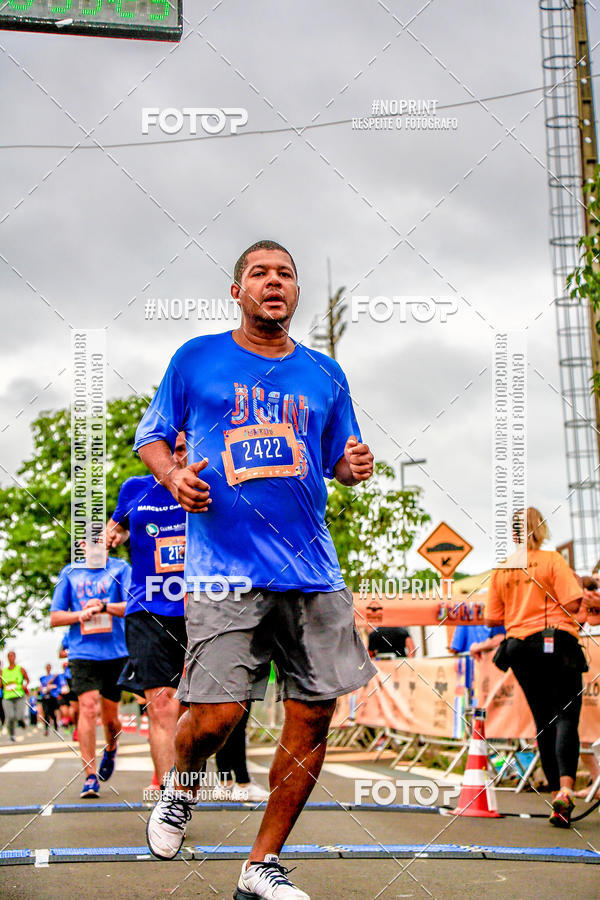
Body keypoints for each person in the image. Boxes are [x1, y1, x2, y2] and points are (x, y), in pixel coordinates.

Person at [136, 239, 376, 899]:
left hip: (312, 569)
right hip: (223, 569)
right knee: (215, 717)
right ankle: (181, 786)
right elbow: (152, 436)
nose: (274, 282)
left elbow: (338, 457)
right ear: (238, 290)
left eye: (286, 274)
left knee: (313, 715)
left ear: (295, 293)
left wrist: (352, 468)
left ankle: (260, 864)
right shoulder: (197, 359)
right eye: (259, 273)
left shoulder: (325, 373)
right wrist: (174, 474)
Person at [485, 507, 586, 828]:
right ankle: (566, 791)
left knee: (544, 720)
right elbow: (572, 602)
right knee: (567, 715)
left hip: (519, 646)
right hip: (556, 641)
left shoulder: (502, 569)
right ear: (540, 528)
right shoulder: (552, 560)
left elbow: (491, 618)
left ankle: (556, 794)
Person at [49, 549, 130, 797]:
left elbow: (134, 605)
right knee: (87, 707)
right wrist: (79, 614)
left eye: (102, 539)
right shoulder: (70, 573)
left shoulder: (121, 569)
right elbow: (55, 617)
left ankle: (111, 748)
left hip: (116, 652)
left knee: (110, 718)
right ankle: (90, 776)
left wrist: (105, 606)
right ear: (82, 545)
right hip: (82, 652)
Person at [1, 651, 29, 742]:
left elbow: (27, 680)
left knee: (19, 716)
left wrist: (25, 685)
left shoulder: (20, 669)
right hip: (7, 697)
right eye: (9, 656)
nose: (10, 657)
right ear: (7, 658)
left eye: (12, 656)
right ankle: (12, 735)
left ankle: (22, 721)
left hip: (19, 696)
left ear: (15, 657)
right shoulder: (3, 671)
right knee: (10, 717)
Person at [39, 663, 60, 735]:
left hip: (52, 697)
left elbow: (57, 686)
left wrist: (51, 686)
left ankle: (56, 726)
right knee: (46, 712)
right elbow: (43, 686)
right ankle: (46, 728)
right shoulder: (43, 678)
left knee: (52, 713)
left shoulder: (55, 677)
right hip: (45, 697)